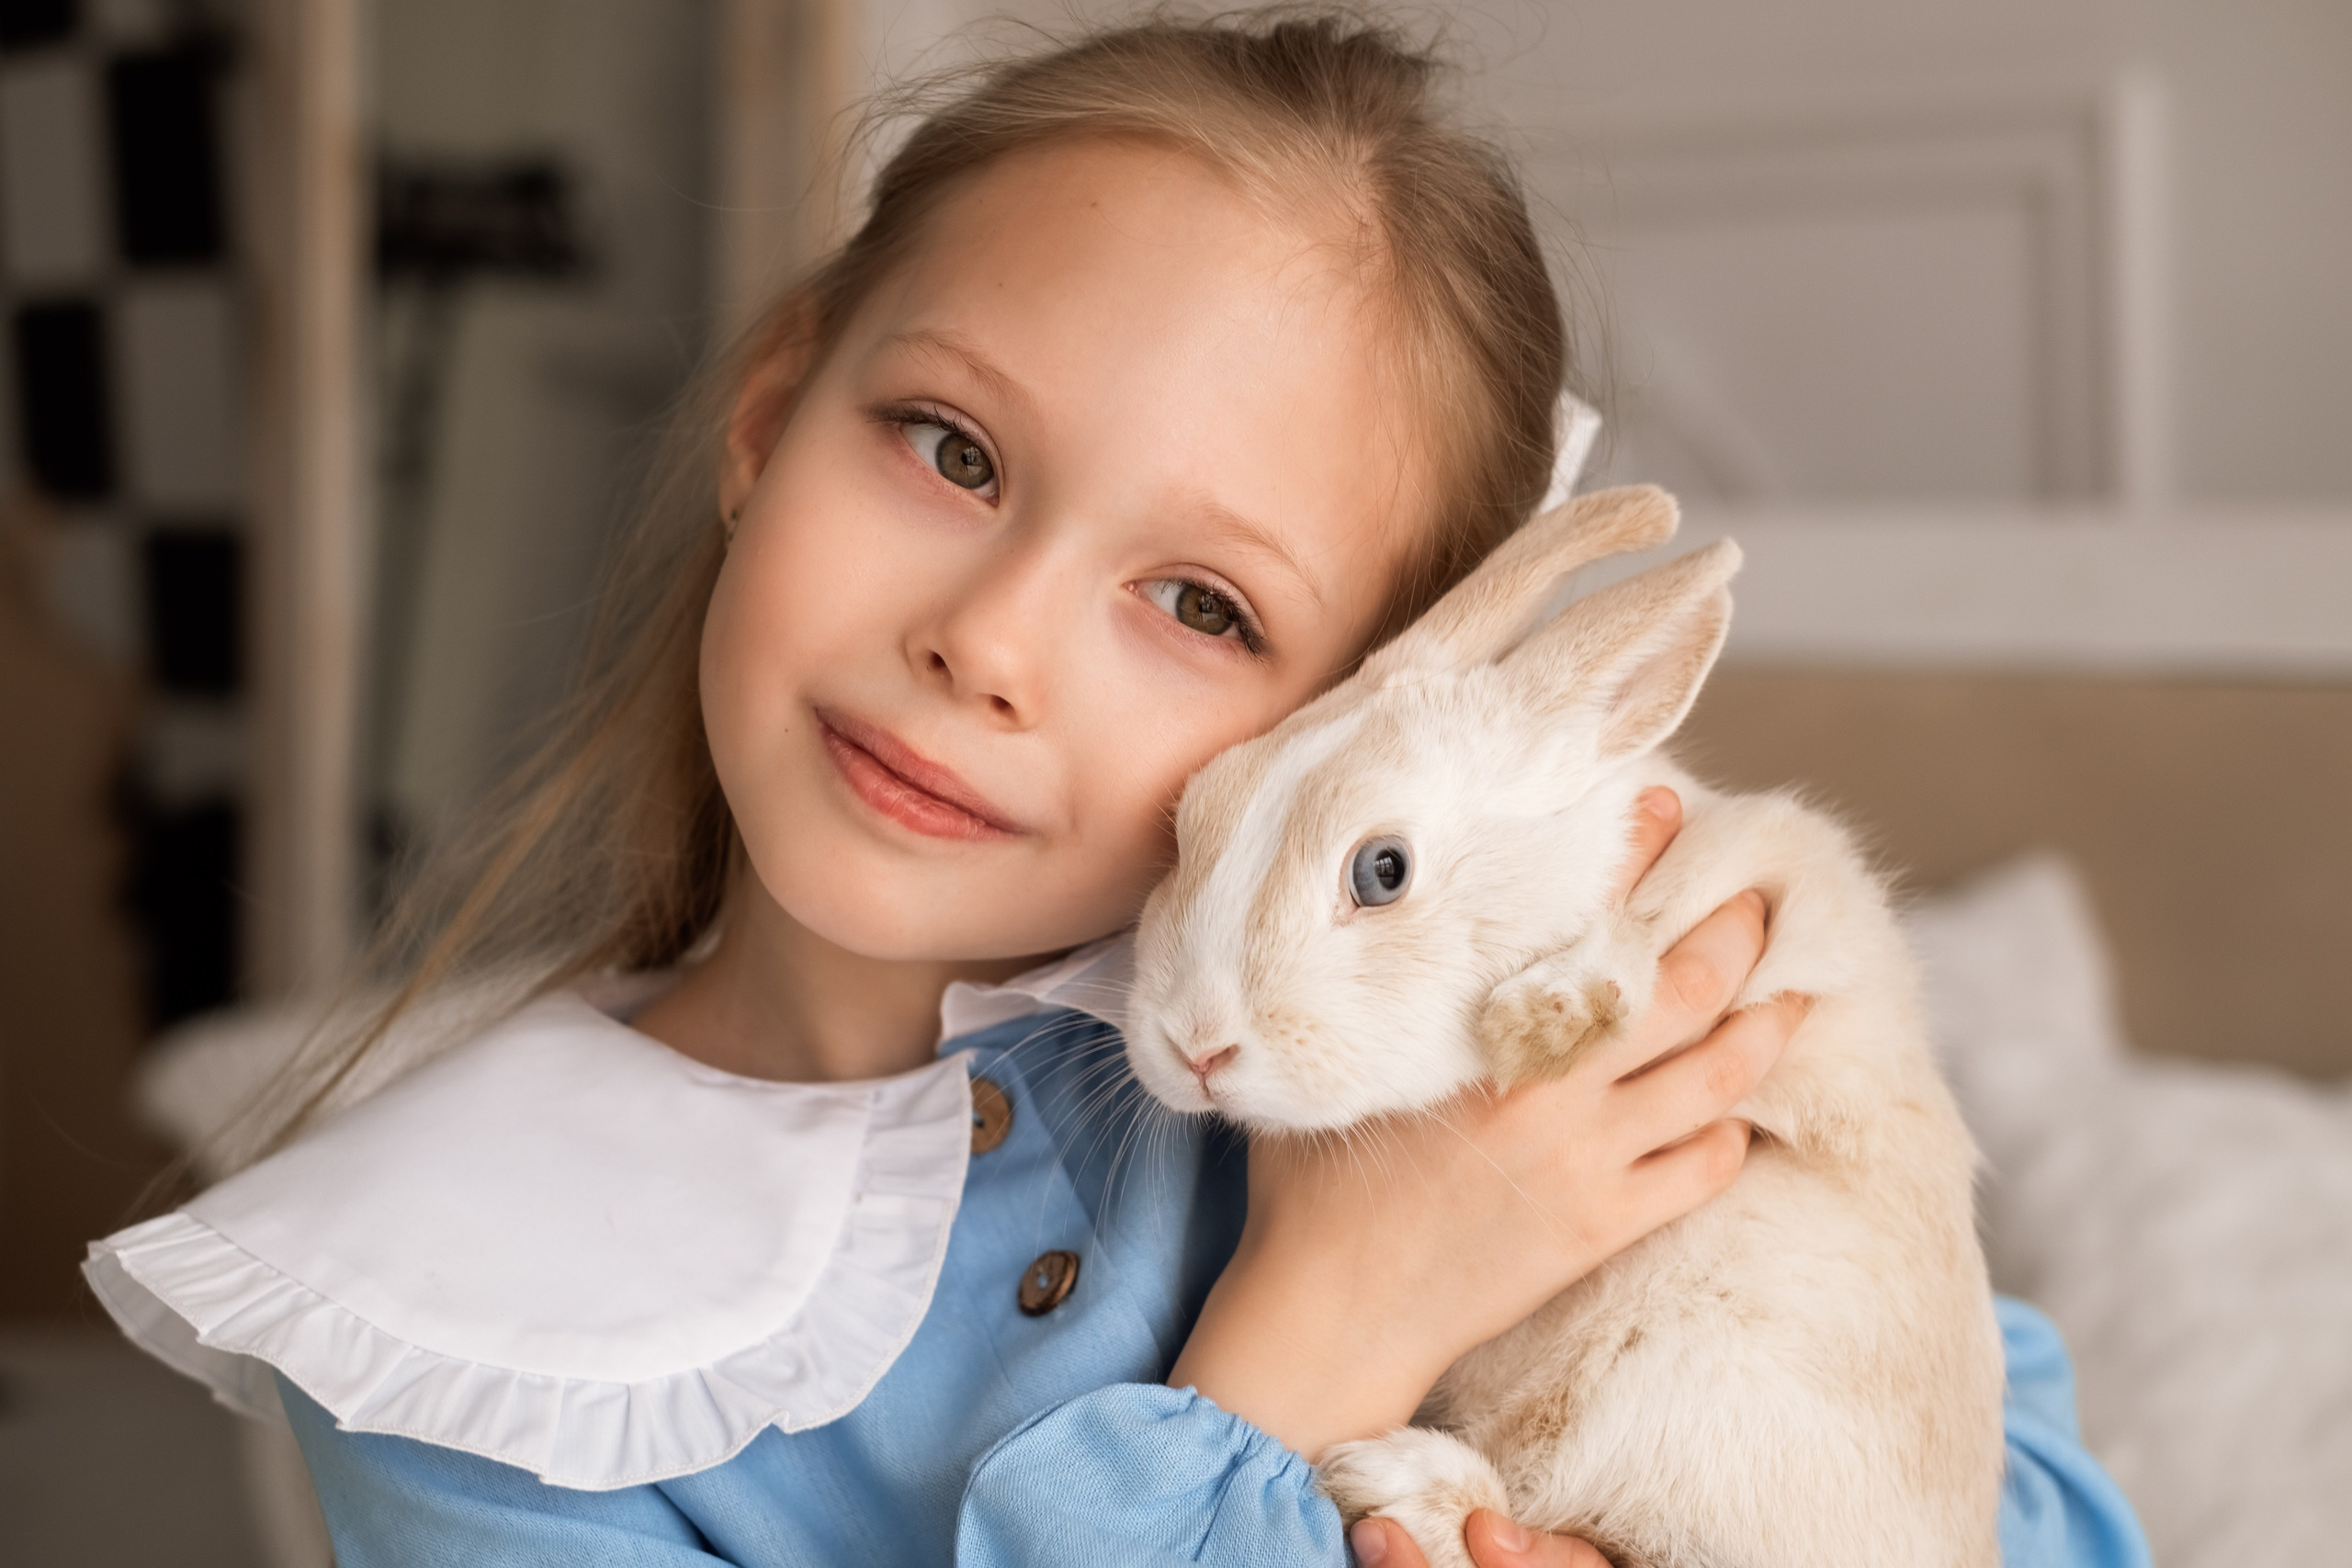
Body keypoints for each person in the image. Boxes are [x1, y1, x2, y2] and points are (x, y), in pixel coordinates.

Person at [86, 14, 2149, 1567]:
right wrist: (1328, 1322)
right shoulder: (467, 1313)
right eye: (948, 449)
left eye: (1195, 600)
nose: (988, 638)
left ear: (1366, 711)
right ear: (768, 411)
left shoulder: (1436, 1031)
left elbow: (1993, 1471)